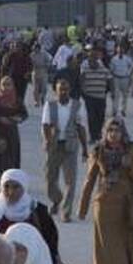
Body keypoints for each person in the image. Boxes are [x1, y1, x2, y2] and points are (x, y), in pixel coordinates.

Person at [78, 117, 133, 264]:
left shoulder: (131, 150)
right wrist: (83, 207)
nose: (114, 134)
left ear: (123, 133)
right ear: (105, 133)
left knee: (126, 245)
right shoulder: (98, 151)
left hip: (126, 204)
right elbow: (90, 179)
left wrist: (129, 165)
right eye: (110, 131)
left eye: (117, 131)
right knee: (105, 249)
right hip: (104, 205)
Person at [41, 78, 89, 220]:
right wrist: (48, 141)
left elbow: (80, 127)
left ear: (70, 90)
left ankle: (66, 212)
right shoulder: (50, 105)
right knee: (50, 178)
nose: (63, 92)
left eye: (66, 89)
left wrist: (85, 148)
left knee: (70, 180)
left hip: (70, 146)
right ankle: (57, 199)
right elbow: (45, 125)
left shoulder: (77, 105)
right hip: (54, 145)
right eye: (60, 89)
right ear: (56, 91)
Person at [0, 76, 28, 181]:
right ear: (0, 86)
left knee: (12, 156)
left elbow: (24, 114)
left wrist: (17, 118)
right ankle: (0, 180)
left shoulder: (17, 100)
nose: (6, 87)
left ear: (12, 86)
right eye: (4, 84)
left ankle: (12, 179)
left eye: (8, 84)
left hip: (12, 132)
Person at [78, 51, 112, 141]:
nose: (90, 62)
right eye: (89, 60)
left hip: (101, 97)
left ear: (96, 60)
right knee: (91, 117)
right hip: (90, 97)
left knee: (100, 116)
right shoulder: (85, 70)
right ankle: (93, 136)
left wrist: (110, 91)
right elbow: (81, 81)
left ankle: (99, 133)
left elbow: (110, 81)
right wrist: (83, 93)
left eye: (92, 59)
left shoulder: (104, 70)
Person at [108, 44, 133, 118]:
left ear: (124, 50)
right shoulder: (113, 59)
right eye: (119, 49)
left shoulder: (127, 59)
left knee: (125, 95)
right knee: (116, 95)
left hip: (125, 78)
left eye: (121, 49)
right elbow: (111, 68)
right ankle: (114, 110)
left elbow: (132, 66)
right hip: (116, 78)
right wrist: (112, 75)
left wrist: (128, 73)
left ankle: (123, 110)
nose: (120, 51)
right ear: (117, 50)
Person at [30, 42, 52, 107]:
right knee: (35, 88)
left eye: (36, 48)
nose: (35, 50)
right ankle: (36, 101)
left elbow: (49, 61)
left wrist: (45, 65)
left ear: (39, 48)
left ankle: (42, 97)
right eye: (34, 48)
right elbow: (29, 63)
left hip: (43, 72)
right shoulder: (31, 55)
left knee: (44, 88)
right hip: (35, 72)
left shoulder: (44, 54)